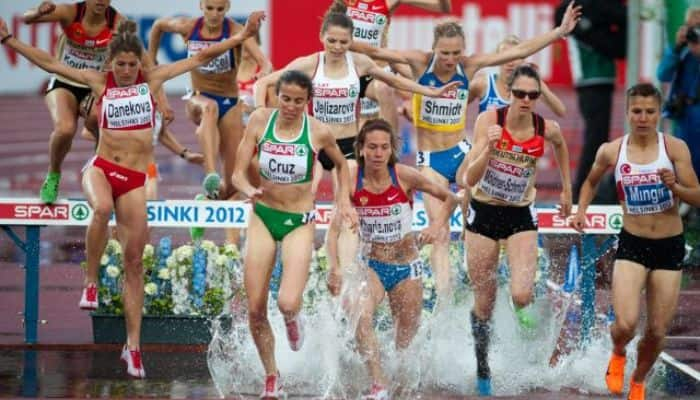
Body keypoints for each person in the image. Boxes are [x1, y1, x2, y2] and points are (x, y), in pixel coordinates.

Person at [0, 11, 264, 378]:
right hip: (102, 169)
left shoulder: (151, 77)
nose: (125, 70)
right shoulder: (98, 80)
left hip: (135, 179)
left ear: (138, 62)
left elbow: (200, 57)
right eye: (120, 64)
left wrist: (242, 37)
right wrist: (8, 41)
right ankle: (90, 284)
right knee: (101, 207)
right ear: (111, 63)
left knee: (135, 264)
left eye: (130, 64)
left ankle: (133, 347)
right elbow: (50, 61)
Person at [350, 1, 581, 309]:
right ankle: (445, 301)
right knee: (439, 231)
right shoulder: (420, 62)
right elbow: (377, 53)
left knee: (484, 208)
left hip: (462, 152)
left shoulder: (469, 66)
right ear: (434, 49)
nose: (450, 59)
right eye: (444, 53)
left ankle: (488, 272)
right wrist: (340, 42)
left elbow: (515, 52)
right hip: (430, 160)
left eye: (456, 52)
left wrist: (558, 32)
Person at [231, 70, 358, 399]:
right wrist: (247, 187)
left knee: (288, 302)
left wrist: (343, 199)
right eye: (285, 99)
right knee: (256, 308)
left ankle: (292, 318)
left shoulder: (317, 131)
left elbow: (342, 165)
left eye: (297, 101)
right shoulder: (260, 120)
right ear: (276, 95)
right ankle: (272, 375)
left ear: (307, 102)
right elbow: (236, 173)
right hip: (262, 215)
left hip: (298, 221)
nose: (289, 106)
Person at [571, 83, 700, 400]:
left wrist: (675, 188)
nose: (643, 118)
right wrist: (581, 211)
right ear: (627, 113)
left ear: (658, 114)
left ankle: (638, 380)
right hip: (632, 244)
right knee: (626, 325)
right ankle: (618, 353)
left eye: (650, 112)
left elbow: (696, 195)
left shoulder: (674, 149)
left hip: (668, 246)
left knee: (657, 331)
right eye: (637, 112)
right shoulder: (612, 150)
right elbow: (588, 182)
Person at [326, 119, 457, 399]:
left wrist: (436, 226)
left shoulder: (404, 175)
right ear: (360, 149)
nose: (377, 153)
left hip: (406, 268)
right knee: (360, 315)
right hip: (371, 264)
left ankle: (398, 385)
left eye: (384, 147)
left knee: (404, 344)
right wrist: (335, 268)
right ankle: (378, 384)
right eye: (372, 147)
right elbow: (335, 227)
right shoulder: (352, 177)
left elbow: (451, 199)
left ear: (391, 150)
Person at [464, 64, 573, 395]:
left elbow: (562, 147)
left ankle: (525, 317)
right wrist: (489, 149)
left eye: (533, 95)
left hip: (520, 215)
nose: (526, 100)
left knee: (521, 294)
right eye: (520, 94)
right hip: (483, 213)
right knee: (484, 301)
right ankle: (483, 366)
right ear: (509, 93)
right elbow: (468, 177)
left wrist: (567, 189)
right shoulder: (490, 121)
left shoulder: (545, 128)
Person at [148, 0, 272, 201]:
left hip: (230, 102)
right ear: (201, 6)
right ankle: (211, 174)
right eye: (210, 8)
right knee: (210, 107)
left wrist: (264, 72)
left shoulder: (236, 30)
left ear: (228, 8)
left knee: (231, 187)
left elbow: (265, 62)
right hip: (198, 98)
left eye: (220, 9)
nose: (214, 14)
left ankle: (205, 201)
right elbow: (158, 26)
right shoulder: (189, 27)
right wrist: (151, 60)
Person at [22, 0, 125, 204]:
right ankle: (53, 175)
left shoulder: (118, 23)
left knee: (103, 121)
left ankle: (101, 177)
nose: (101, 1)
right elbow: (26, 19)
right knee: (65, 129)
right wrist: (36, 12)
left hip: (93, 85)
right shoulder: (70, 12)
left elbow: (132, 57)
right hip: (64, 82)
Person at [339, 0, 452, 130]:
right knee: (358, 136)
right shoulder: (345, 3)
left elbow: (443, 8)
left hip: (378, 73)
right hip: (351, 75)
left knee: (379, 132)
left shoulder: (388, 2)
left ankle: (393, 146)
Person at [555, 0, 627, 202]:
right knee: (595, 140)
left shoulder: (599, 10)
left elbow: (620, 27)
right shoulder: (574, 8)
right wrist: (598, 26)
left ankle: (587, 191)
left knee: (599, 138)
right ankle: (582, 193)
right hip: (588, 79)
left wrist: (598, 24)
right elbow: (561, 17)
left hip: (602, 79)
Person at [657, 8, 700, 195]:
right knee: (684, 162)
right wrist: (676, 48)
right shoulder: (681, 50)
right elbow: (663, 74)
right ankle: (687, 207)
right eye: (694, 27)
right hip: (686, 114)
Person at [469, 35, 566, 117]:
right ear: (496, 59)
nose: (510, 63)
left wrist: (540, 84)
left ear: (523, 60)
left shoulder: (529, 87)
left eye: (515, 57)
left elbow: (561, 111)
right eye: (505, 57)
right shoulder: (482, 84)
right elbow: (456, 106)